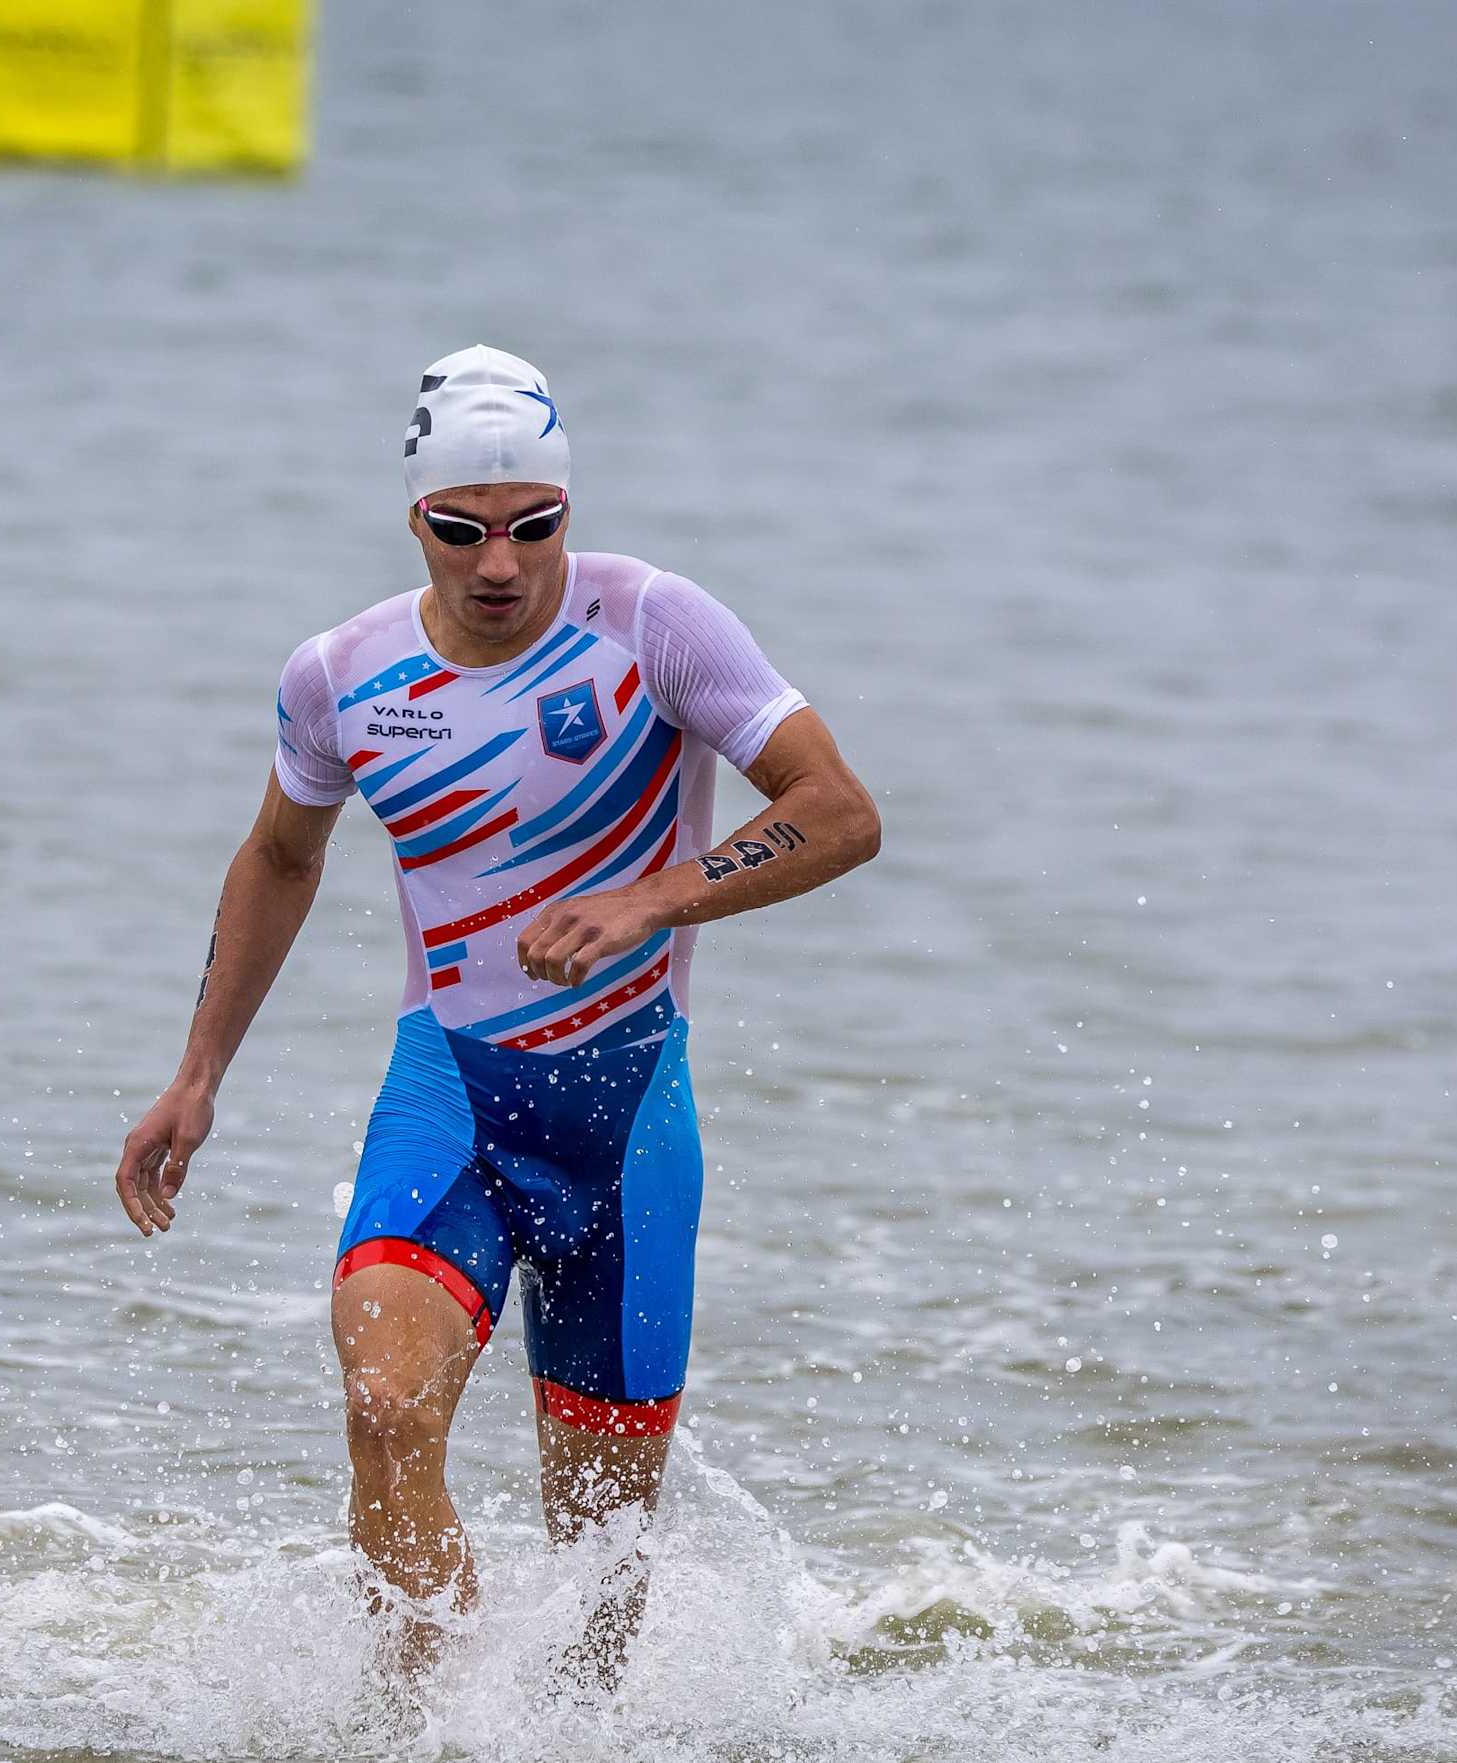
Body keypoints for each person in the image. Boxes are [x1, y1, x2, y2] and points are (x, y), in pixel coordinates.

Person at [111, 345, 881, 1690]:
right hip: (453, 1101)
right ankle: (422, 1716)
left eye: (536, 527)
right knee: (384, 1404)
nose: (502, 563)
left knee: (599, 1569)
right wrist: (198, 1073)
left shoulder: (658, 625)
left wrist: (657, 899)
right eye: (464, 531)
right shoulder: (341, 676)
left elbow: (838, 811)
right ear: (415, 518)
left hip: (628, 1138)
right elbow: (283, 858)